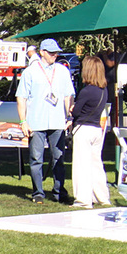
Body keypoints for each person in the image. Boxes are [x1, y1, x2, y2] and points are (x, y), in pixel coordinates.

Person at [17, 37, 74, 202]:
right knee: (36, 159)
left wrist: (69, 115)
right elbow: (21, 98)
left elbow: (68, 95)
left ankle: (59, 192)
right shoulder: (30, 72)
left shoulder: (62, 71)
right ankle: (38, 193)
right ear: (42, 52)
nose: (55, 55)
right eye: (51, 53)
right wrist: (23, 121)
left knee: (59, 158)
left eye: (56, 53)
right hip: (36, 122)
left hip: (57, 122)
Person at [69, 55, 112, 208]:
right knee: (96, 165)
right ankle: (102, 197)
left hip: (84, 129)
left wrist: (71, 109)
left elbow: (76, 113)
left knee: (82, 165)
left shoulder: (86, 91)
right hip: (96, 130)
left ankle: (83, 199)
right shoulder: (103, 90)